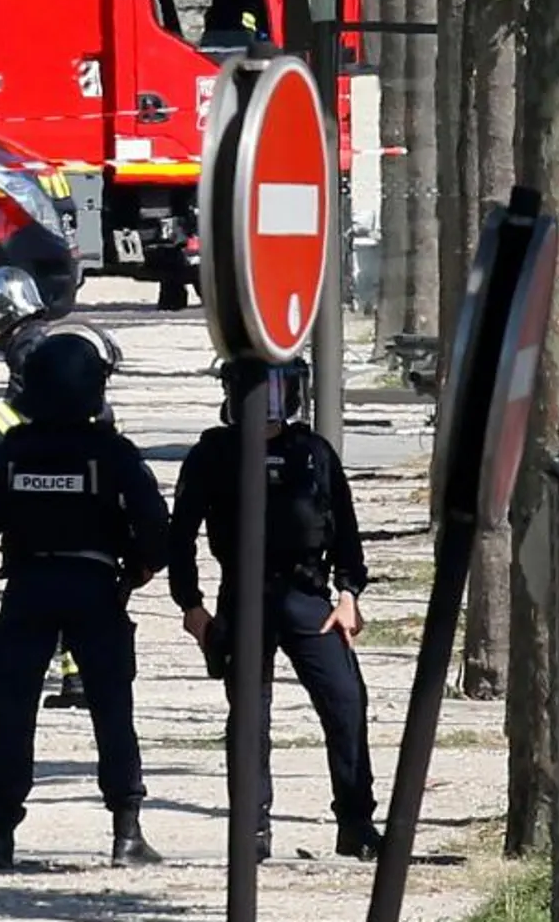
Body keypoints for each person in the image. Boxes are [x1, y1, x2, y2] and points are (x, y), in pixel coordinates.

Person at [0, 331, 171, 871]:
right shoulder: (112, 453)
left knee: (12, 714)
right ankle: (126, 833)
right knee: (112, 711)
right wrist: (140, 562)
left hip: (27, 589)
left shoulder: (12, 453)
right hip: (95, 588)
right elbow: (156, 532)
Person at [167, 358, 385, 863]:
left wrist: (350, 594)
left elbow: (346, 530)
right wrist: (192, 607)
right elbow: (181, 535)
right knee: (249, 718)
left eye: (278, 389)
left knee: (347, 702)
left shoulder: (312, 453)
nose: (268, 402)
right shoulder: (214, 454)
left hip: (310, 599)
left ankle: (356, 823)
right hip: (243, 597)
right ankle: (253, 831)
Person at [0, 264, 126, 710]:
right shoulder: (45, 338)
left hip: (54, 463)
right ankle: (77, 681)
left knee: (45, 571)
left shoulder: (28, 346)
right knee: (81, 574)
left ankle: (33, 674)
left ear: (3, 312)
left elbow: (20, 407)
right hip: (85, 461)